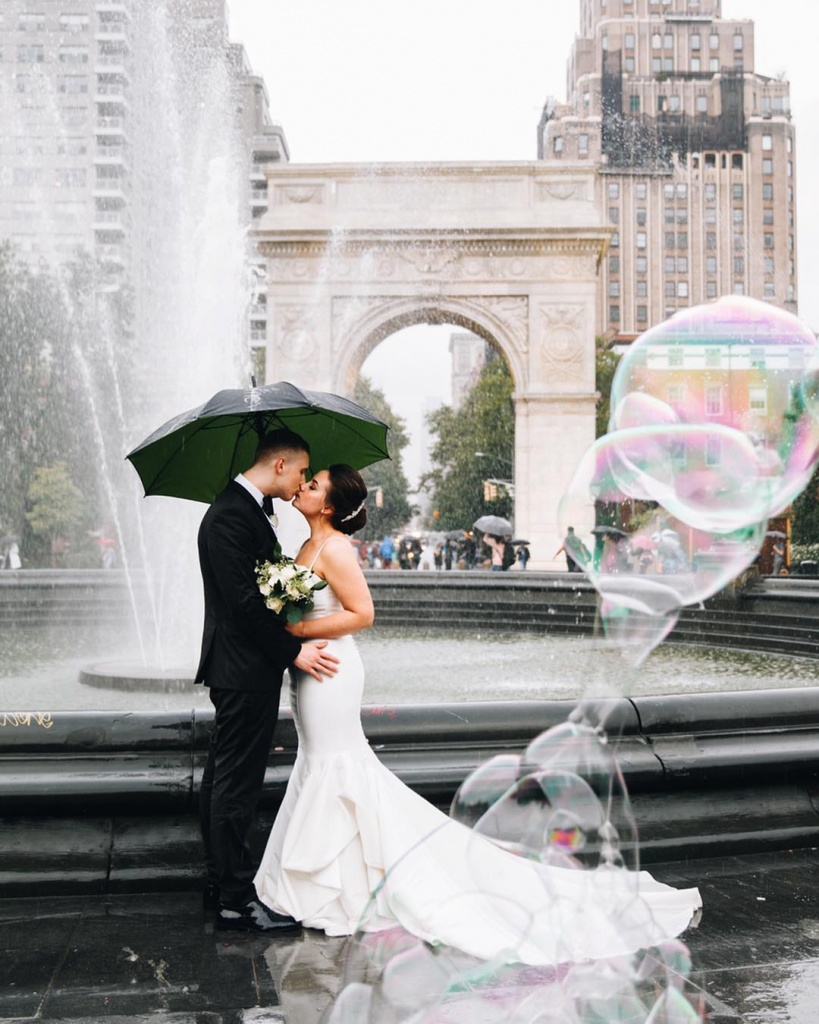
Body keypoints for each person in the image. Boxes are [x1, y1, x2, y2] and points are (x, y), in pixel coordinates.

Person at [254, 465, 701, 964]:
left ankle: (336, 884)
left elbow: (363, 613)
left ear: (331, 506)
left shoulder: (335, 548)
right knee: (321, 761)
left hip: (332, 668)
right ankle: (333, 879)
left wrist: (295, 633)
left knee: (335, 762)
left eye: (313, 485)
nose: (304, 487)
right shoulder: (304, 547)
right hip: (309, 670)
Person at [196, 428, 340, 934]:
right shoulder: (231, 515)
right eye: (302, 471)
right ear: (280, 465)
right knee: (236, 785)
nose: (302, 481)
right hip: (242, 669)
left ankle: (221, 885)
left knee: (224, 779)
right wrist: (294, 651)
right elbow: (241, 609)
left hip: (241, 668)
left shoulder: (245, 510)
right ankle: (236, 899)